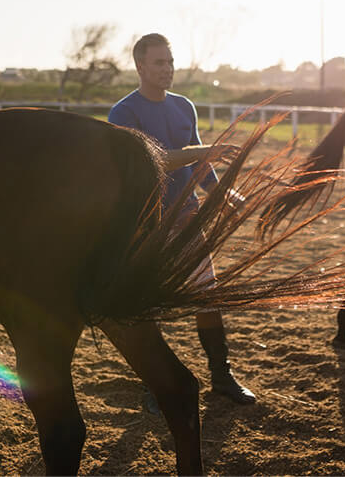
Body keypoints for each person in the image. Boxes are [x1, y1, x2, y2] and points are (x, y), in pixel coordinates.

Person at [108, 33, 255, 405]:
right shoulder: (123, 113)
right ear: (140, 66)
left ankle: (222, 377)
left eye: (170, 62)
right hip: (146, 223)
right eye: (159, 63)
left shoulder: (184, 106)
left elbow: (201, 167)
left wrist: (223, 195)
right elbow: (150, 161)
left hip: (188, 217)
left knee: (208, 297)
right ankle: (155, 383)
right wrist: (203, 150)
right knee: (148, 306)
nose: (167, 69)